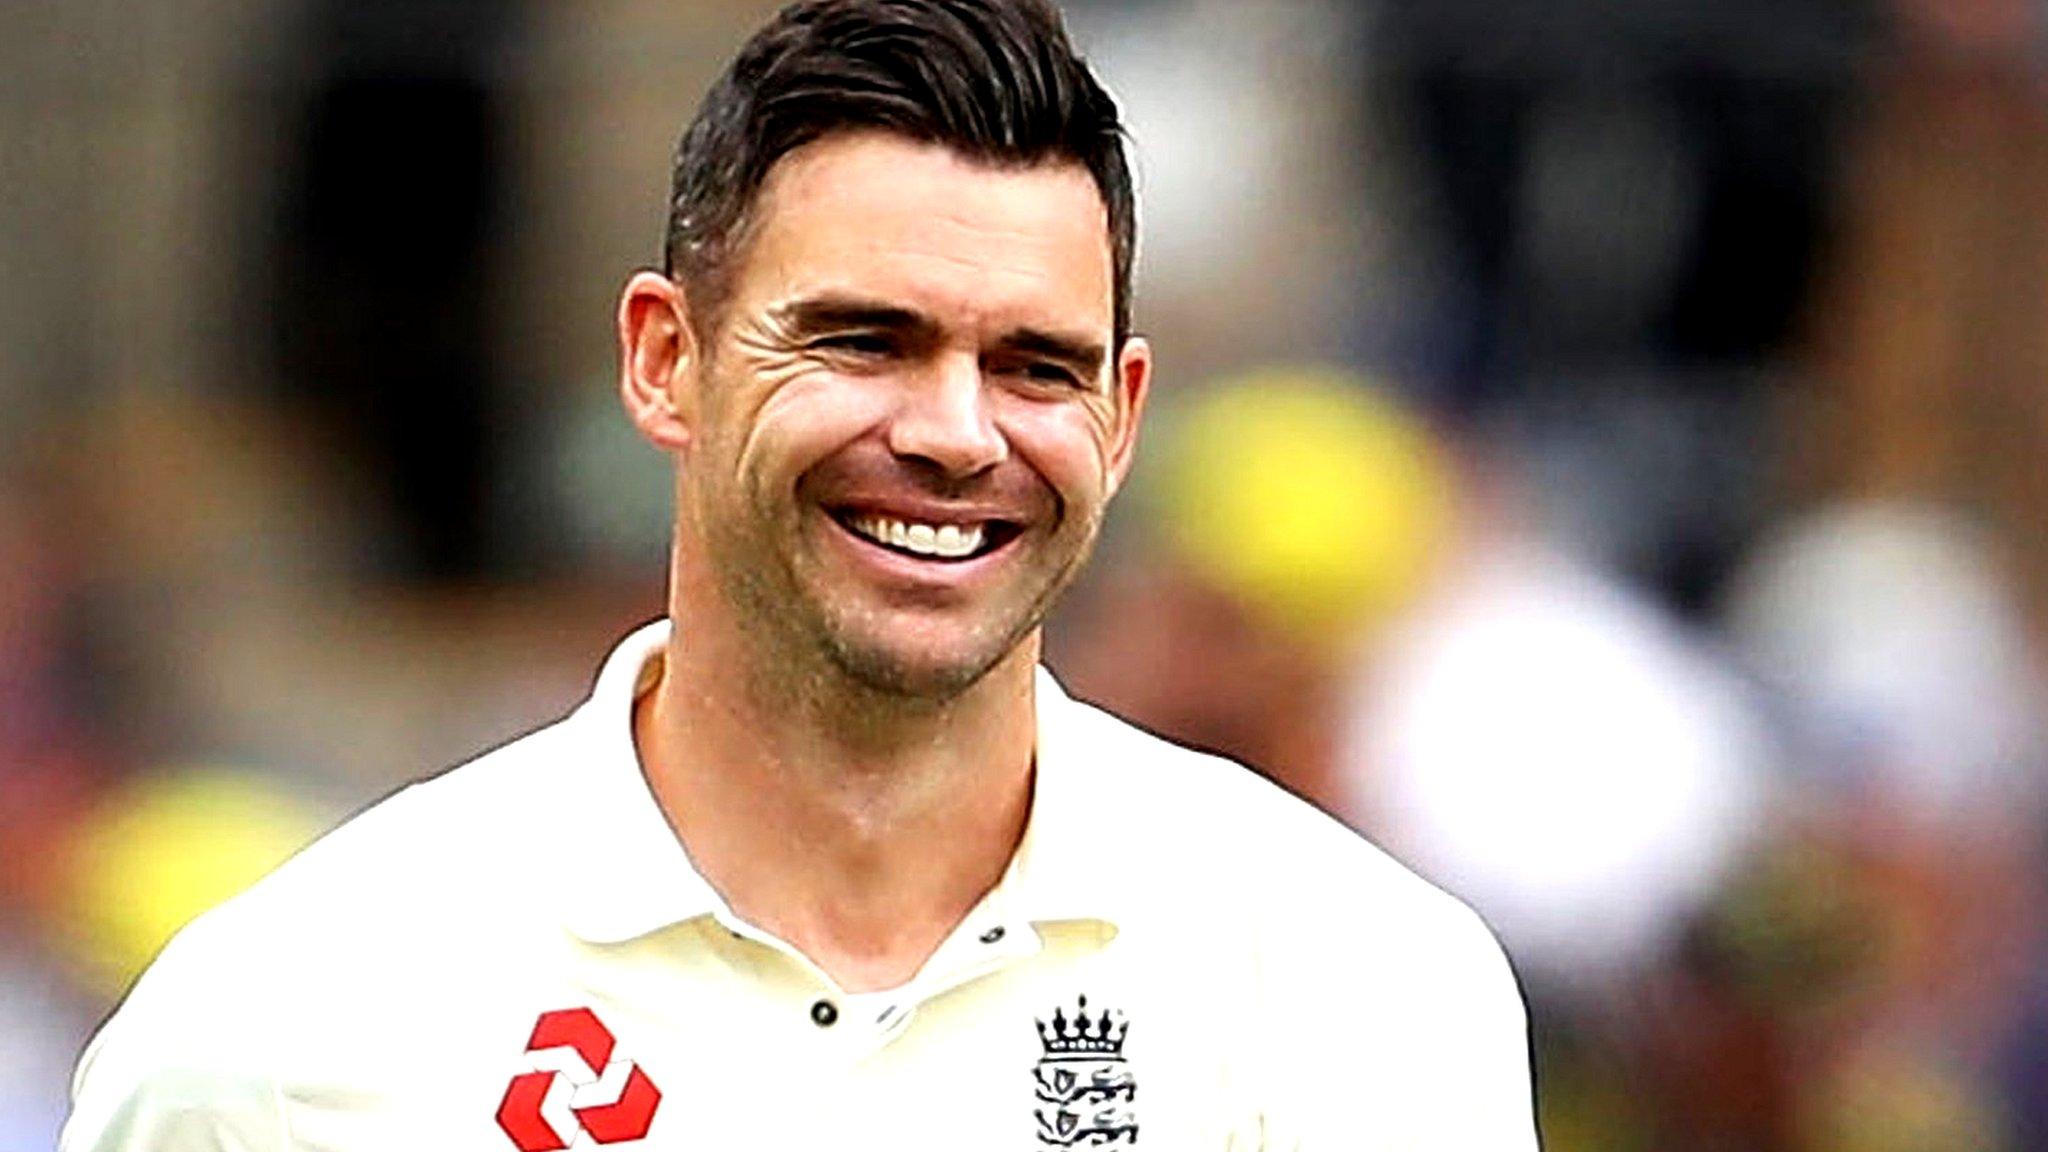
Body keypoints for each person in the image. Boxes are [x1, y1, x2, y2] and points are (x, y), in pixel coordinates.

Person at [62, 1, 1539, 1148]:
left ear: (1124, 413)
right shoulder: (283, 1027)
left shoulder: (1365, 987)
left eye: (1036, 365)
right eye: (865, 341)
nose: (958, 435)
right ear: (664, 360)